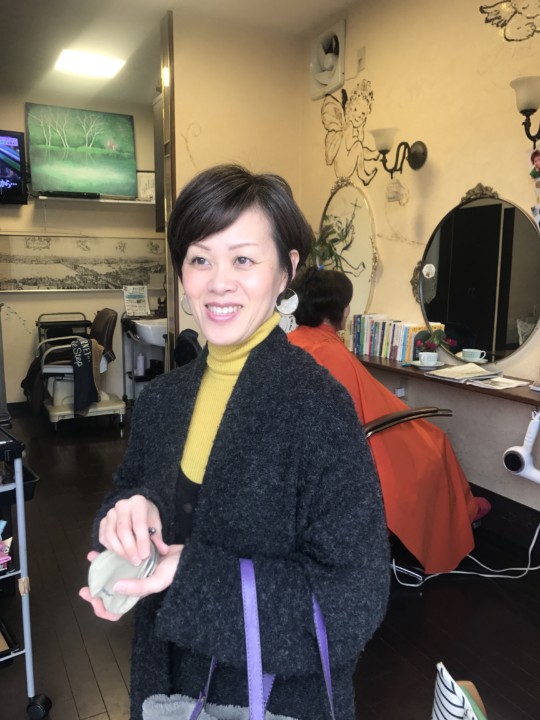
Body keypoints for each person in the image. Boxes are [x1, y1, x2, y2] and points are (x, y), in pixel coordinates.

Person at [79, 165, 390, 720]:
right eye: (200, 259)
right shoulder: (163, 400)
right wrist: (124, 515)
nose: (218, 282)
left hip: (276, 700)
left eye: (243, 259)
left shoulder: (318, 409)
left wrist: (192, 578)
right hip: (164, 685)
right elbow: (128, 490)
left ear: (285, 270)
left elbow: (352, 600)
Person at [288, 267, 491, 575]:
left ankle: (462, 511)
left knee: (425, 436)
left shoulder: (292, 342)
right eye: (347, 304)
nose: (348, 310)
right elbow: (348, 420)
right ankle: (463, 514)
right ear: (337, 309)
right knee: (434, 443)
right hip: (351, 447)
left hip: (307, 453)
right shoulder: (329, 352)